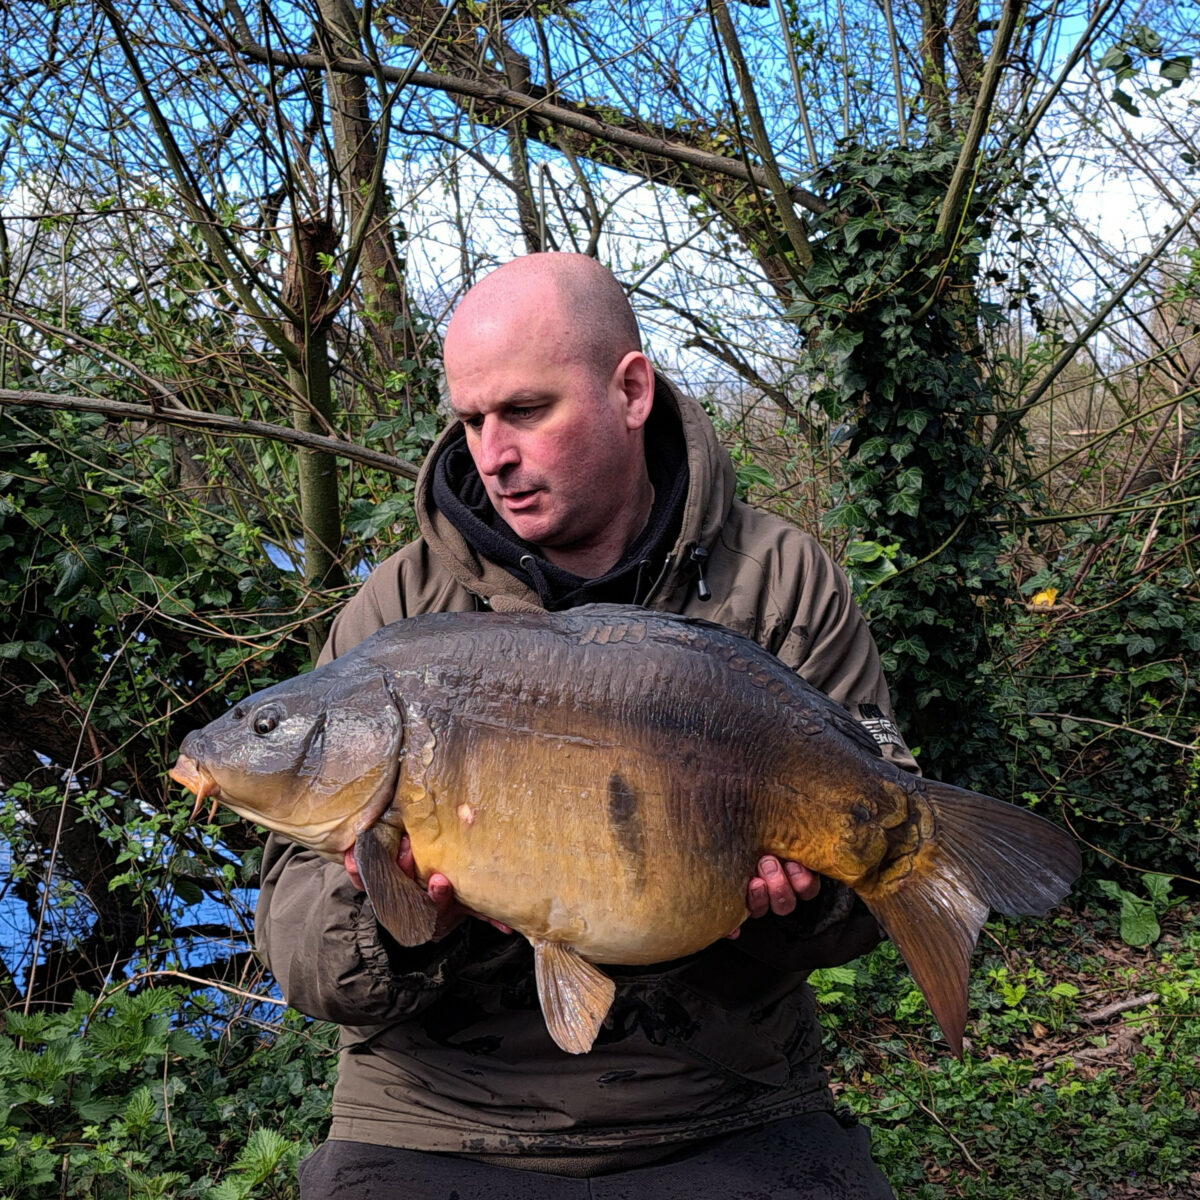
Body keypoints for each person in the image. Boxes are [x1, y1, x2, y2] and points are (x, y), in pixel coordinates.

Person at [256, 253, 916, 1199]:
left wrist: (802, 903)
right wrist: (397, 916)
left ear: (631, 391)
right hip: (441, 1113)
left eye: (526, 410)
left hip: (725, 1094)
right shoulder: (400, 612)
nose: (492, 454)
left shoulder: (779, 580)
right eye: (471, 420)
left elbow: (868, 890)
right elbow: (296, 945)